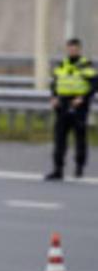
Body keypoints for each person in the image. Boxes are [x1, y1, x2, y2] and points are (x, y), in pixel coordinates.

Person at [45, 38, 97, 180]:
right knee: (59, 138)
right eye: (70, 48)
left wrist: (83, 98)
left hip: (79, 105)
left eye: (74, 48)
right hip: (63, 104)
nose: (72, 50)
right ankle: (58, 169)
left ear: (79, 49)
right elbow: (54, 83)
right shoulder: (62, 64)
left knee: (80, 137)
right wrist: (54, 97)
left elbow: (94, 85)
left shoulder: (86, 64)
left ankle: (79, 167)